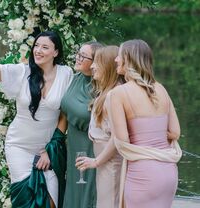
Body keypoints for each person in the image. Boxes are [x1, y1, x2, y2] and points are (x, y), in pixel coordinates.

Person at [0, 29, 73, 208]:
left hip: (48, 148)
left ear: (56, 52)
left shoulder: (66, 74)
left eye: (45, 47)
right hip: (19, 146)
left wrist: (50, 148)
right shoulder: (22, 73)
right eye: (36, 46)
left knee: (51, 200)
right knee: (25, 200)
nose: (38, 50)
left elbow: (65, 113)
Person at [77, 39, 182, 208]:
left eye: (119, 56)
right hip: (168, 172)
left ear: (129, 59)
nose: (116, 60)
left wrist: (97, 161)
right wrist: (150, 135)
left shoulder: (117, 94)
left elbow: (122, 141)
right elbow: (175, 132)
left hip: (142, 174)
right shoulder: (161, 89)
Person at [76, 45, 123, 208]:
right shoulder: (105, 92)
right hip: (105, 162)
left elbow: (117, 137)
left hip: (112, 163)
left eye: (97, 62)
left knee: (109, 203)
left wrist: (96, 161)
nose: (93, 66)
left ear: (108, 66)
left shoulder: (114, 95)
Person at [60, 41, 102, 208]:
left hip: (92, 148)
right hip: (74, 147)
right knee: (73, 191)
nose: (78, 58)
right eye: (78, 53)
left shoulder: (101, 88)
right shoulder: (74, 79)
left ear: (96, 62)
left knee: (88, 194)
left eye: (83, 56)